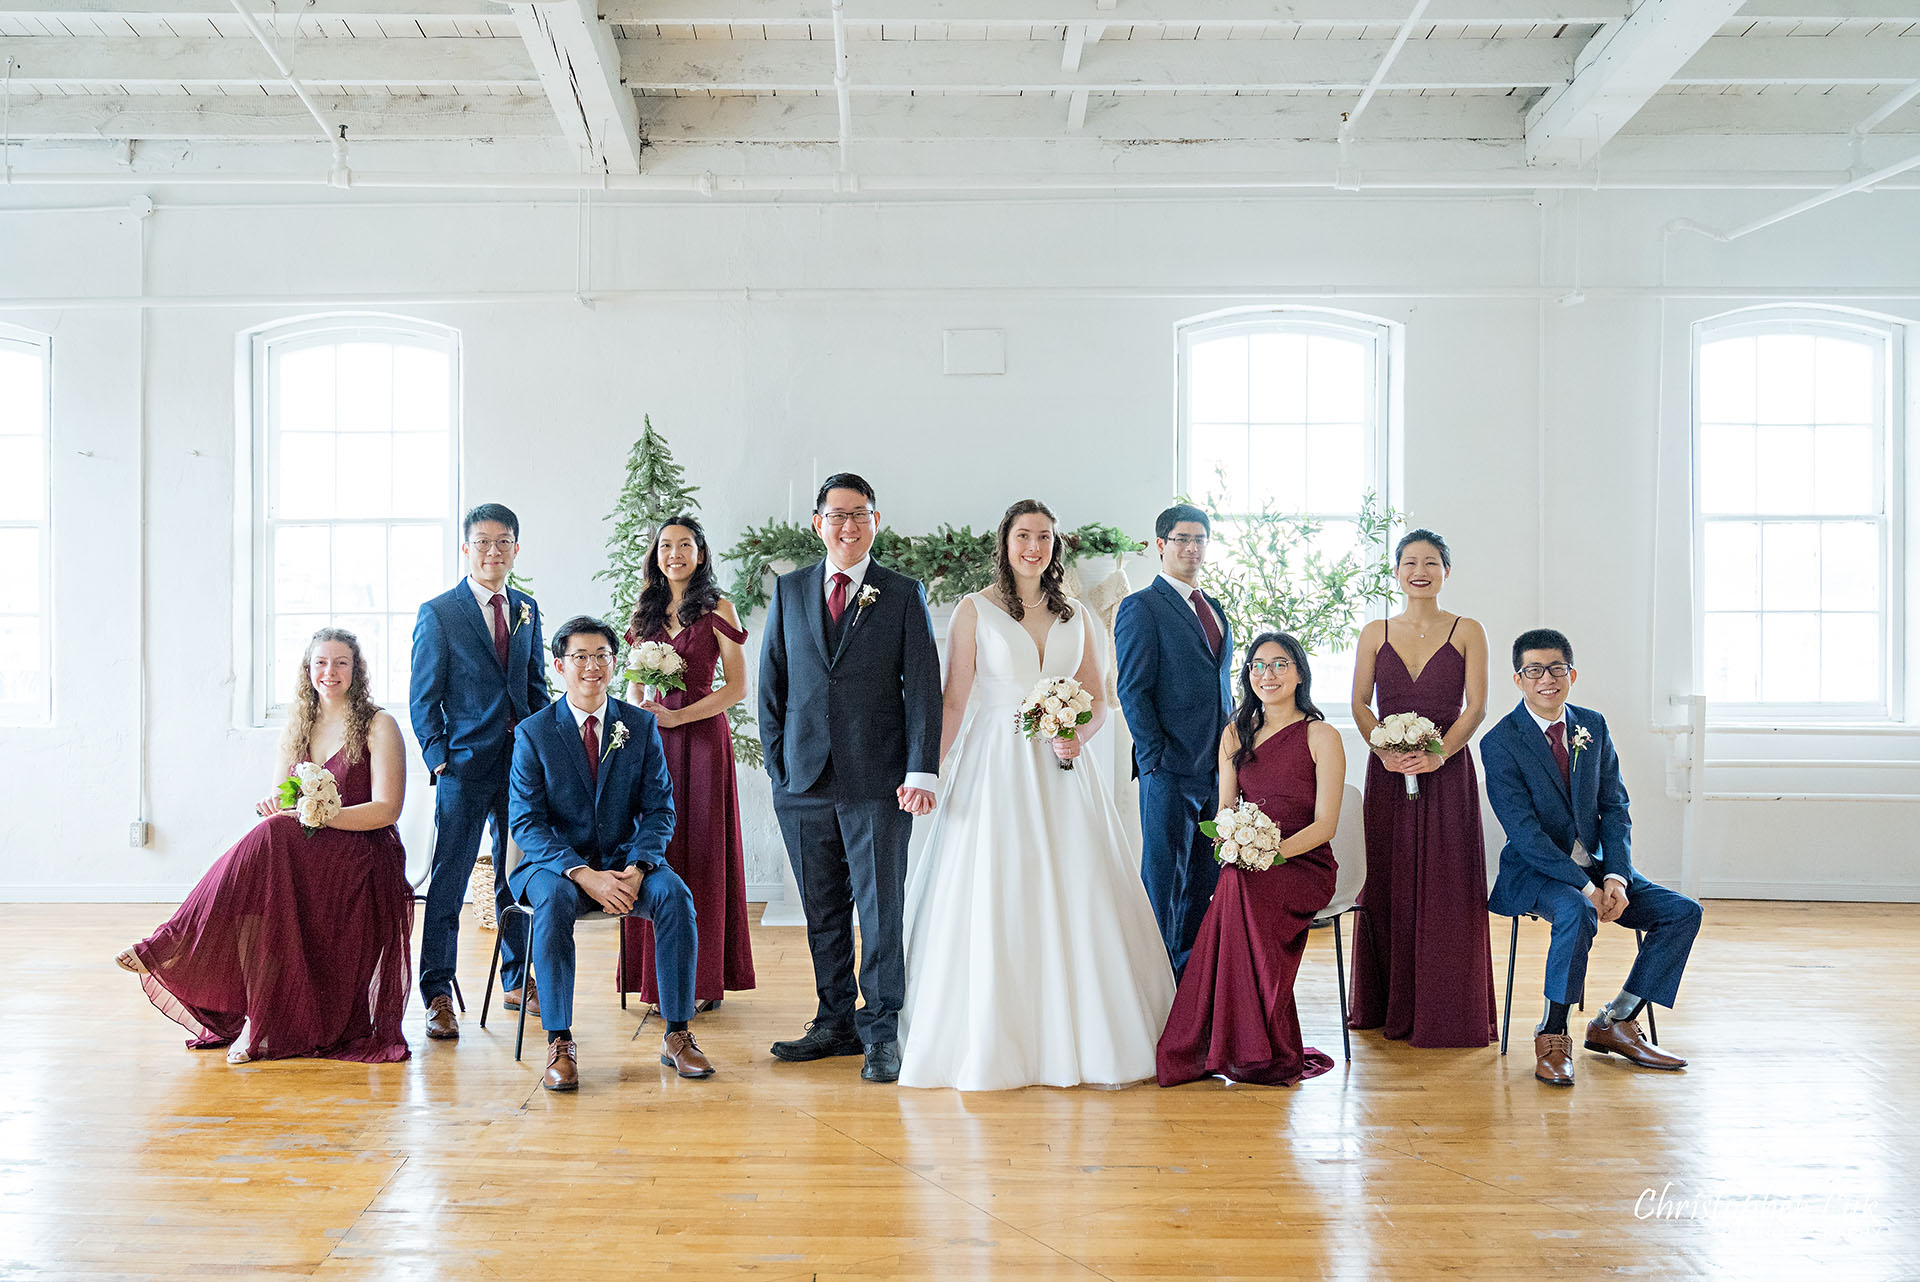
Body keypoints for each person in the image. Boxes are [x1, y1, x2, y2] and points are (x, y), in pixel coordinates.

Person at [900, 500, 1175, 1091]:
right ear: (1006, 542)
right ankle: (994, 1037)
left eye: (1045, 537)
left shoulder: (1079, 614)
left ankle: (1088, 1036)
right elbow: (954, 700)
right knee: (998, 887)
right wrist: (925, 770)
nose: (1034, 546)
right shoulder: (975, 610)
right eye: (1023, 535)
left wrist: (1077, 735)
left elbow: (1099, 697)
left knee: (1078, 886)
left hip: (1063, 770)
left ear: (1056, 546)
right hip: (995, 766)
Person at [115, 628, 413, 1064]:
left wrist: (325, 816)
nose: (330, 672)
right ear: (308, 670)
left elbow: (388, 809)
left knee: (272, 841)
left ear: (357, 670)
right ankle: (258, 1021)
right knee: (265, 874)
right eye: (321, 663)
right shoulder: (298, 726)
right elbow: (285, 800)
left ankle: (174, 941)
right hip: (307, 850)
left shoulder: (378, 724)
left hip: (363, 853)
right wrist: (277, 802)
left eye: (341, 663)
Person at [758, 472, 943, 1084]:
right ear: (818, 524)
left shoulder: (901, 593)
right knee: (823, 908)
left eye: (859, 514)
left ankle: (882, 1028)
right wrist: (780, 767)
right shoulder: (789, 591)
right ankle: (833, 1018)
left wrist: (921, 768)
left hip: (878, 780)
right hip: (804, 782)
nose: (848, 525)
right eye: (837, 515)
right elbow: (772, 688)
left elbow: (922, 689)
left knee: (880, 907)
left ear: (875, 522)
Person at [1481, 628, 1703, 1087]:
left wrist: (1617, 878)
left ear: (1572, 674)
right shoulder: (1500, 742)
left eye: (1557, 668)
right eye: (1534, 670)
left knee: (1682, 913)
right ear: (1518, 679)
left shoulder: (1592, 726)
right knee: (1577, 910)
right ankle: (1552, 1032)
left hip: (1601, 868)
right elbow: (1524, 833)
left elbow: (1615, 807)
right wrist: (1587, 887)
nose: (1547, 679)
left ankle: (1616, 1020)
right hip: (1535, 870)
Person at [507, 616, 714, 1091]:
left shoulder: (638, 725)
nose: (591, 666)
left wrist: (638, 868)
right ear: (560, 665)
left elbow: (660, 809)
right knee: (555, 902)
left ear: (615, 664)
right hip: (551, 867)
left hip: (625, 863)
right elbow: (527, 823)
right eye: (579, 656)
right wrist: (583, 874)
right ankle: (559, 1040)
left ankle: (678, 1033)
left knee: (675, 897)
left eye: (601, 656)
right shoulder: (534, 733)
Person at [1157, 632, 1345, 1088]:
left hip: (1304, 862)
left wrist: (1271, 852)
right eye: (1258, 665)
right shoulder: (1234, 734)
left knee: (1236, 888)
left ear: (1300, 672)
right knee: (1235, 883)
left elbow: (1326, 826)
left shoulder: (1322, 735)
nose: (1268, 674)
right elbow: (1225, 813)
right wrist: (1240, 847)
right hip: (1248, 863)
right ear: (1247, 676)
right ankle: (1241, 1043)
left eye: (1280, 664)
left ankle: (1247, 1045)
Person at [1346, 529, 1497, 1048]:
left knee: (1447, 883)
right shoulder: (1375, 631)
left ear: (1446, 571)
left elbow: (1476, 705)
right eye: (1410, 561)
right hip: (1387, 774)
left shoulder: (1468, 630)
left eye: (1431, 562)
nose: (1420, 570)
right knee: (1387, 879)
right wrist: (1384, 749)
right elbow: (1361, 703)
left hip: (1447, 772)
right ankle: (1385, 1003)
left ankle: (1446, 1005)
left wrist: (1438, 754)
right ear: (1396, 571)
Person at [409, 503, 551, 1040]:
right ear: (466, 548)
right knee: (451, 879)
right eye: (483, 542)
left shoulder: (527, 609)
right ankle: (437, 991)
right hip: (463, 767)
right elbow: (423, 697)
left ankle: (517, 979)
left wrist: (545, 753)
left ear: (516, 548)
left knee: (516, 875)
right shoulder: (439, 612)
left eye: (504, 541)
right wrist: (438, 756)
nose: (493, 551)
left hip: (519, 768)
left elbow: (535, 687)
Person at [619, 516, 756, 1012]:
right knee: (659, 848)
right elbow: (634, 688)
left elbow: (737, 687)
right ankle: (655, 979)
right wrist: (641, 724)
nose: (673, 553)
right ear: (655, 555)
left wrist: (681, 720)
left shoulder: (719, 607)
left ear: (700, 552)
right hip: (653, 740)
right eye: (665, 546)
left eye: (684, 545)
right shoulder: (644, 613)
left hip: (701, 739)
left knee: (702, 847)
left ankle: (700, 979)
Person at [1114, 502, 1235, 979]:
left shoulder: (1215, 608)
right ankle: (1153, 986)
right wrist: (1155, 760)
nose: (1192, 548)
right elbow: (1133, 691)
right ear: (1161, 544)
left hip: (1216, 771)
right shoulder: (1141, 607)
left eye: (1200, 539)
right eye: (1182, 539)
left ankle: (1190, 983)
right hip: (1168, 770)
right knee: (1163, 883)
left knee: (1203, 882)